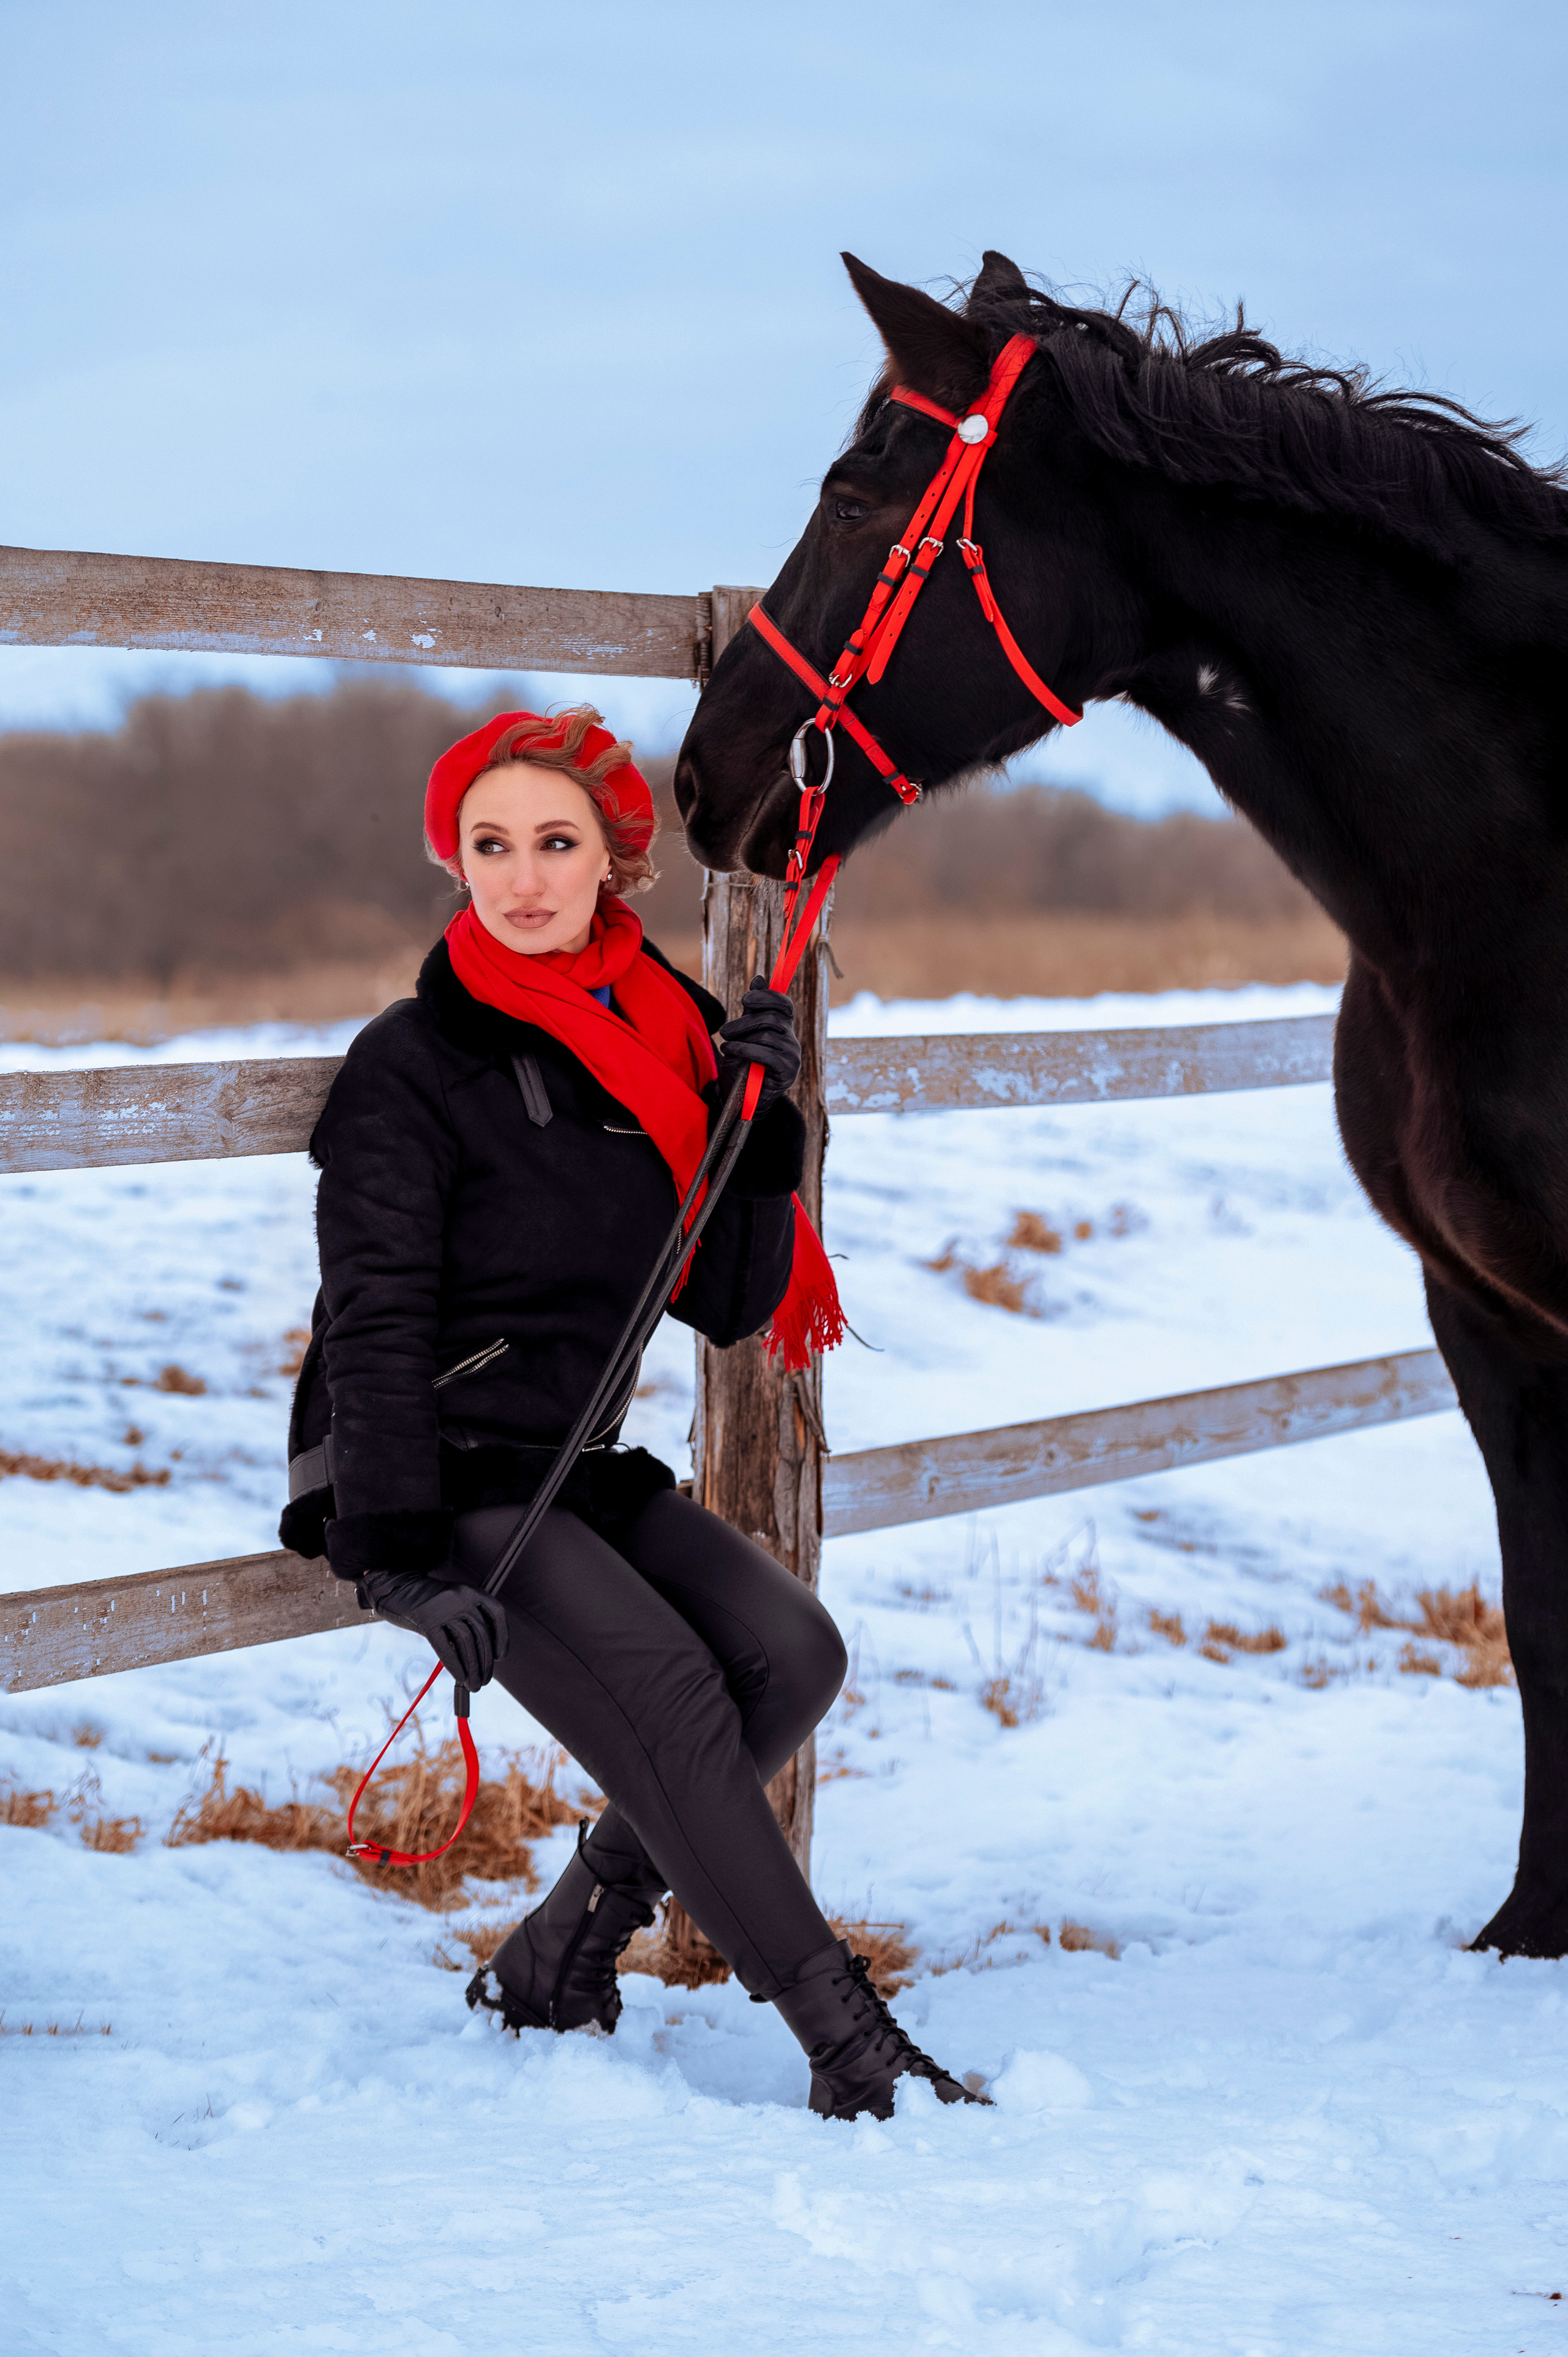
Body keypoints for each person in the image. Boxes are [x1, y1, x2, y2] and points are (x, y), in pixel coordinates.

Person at [281, 705, 987, 2121]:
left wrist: (757, 1123)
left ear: (613, 859)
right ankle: (852, 2047)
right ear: (455, 862)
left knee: (789, 1652)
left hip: (567, 1457)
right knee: (669, 1692)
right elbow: (370, 1321)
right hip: (437, 1467)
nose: (521, 877)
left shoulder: (651, 1041)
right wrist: (398, 1556)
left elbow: (725, 1301)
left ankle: (560, 1953)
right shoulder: (413, 1063)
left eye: (555, 842)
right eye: (488, 845)